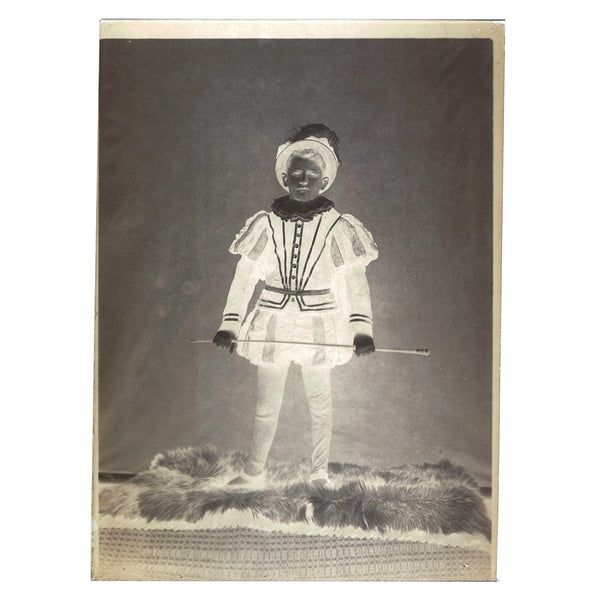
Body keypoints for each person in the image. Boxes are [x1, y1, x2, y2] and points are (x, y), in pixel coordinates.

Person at [213, 123, 378, 488]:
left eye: (312, 175)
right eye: (298, 174)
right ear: (285, 178)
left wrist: (361, 330)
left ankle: (319, 474)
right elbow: (244, 278)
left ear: (325, 181)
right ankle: (254, 471)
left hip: (318, 327)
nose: (304, 181)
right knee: (265, 405)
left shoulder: (339, 227)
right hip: (271, 323)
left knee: (319, 404)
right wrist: (230, 324)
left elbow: (355, 281)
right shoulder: (266, 224)